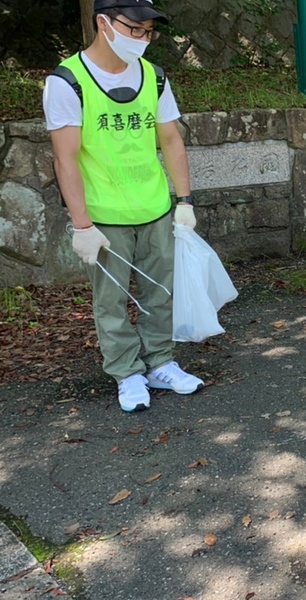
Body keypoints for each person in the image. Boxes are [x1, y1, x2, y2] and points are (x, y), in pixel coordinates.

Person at [43, 0, 203, 413]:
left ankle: (161, 363)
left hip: (154, 207)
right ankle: (127, 372)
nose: (143, 39)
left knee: (160, 293)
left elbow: (170, 139)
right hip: (105, 216)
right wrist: (81, 224)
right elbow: (66, 157)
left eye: (149, 31)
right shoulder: (67, 81)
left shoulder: (154, 76)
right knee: (111, 301)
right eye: (135, 28)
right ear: (103, 23)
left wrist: (183, 200)